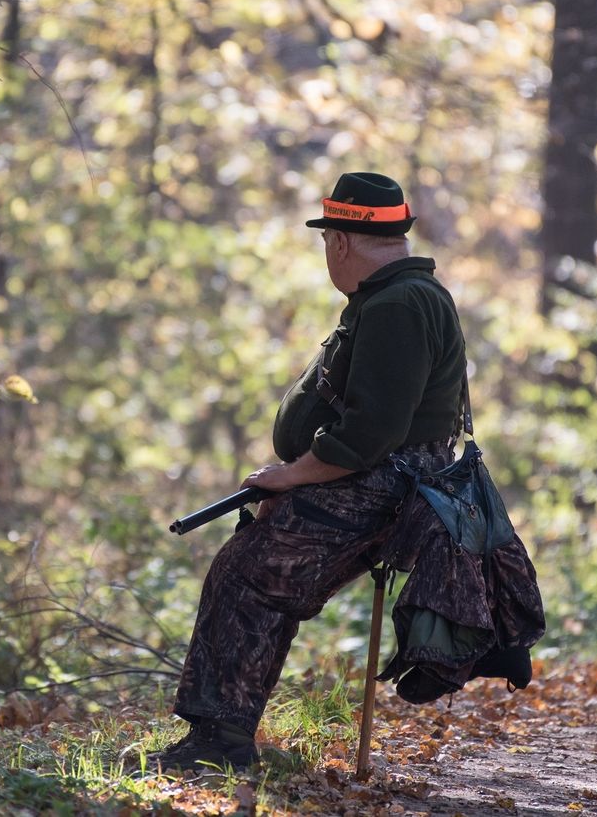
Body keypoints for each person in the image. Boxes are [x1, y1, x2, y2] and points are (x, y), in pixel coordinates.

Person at [146, 172, 472, 772]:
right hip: (378, 482)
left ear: (340, 242)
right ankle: (219, 738)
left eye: (326, 242)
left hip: (374, 484)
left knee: (247, 577)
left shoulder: (397, 305)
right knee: (247, 573)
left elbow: (372, 433)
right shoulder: (402, 297)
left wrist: (294, 477)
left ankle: (218, 745)